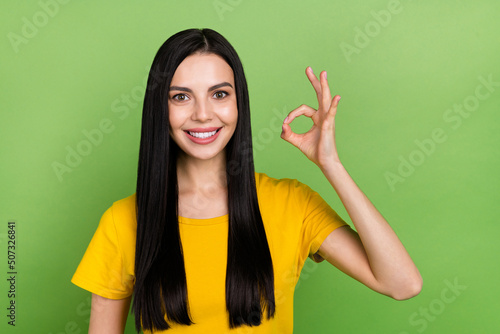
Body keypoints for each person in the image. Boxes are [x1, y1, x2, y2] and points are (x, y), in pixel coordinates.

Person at [71, 28, 422, 333]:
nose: (203, 113)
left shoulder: (292, 203)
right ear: (159, 108)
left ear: (240, 104)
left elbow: (402, 283)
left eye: (219, 94)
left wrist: (330, 163)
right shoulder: (123, 222)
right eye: (181, 96)